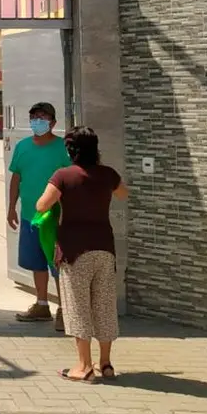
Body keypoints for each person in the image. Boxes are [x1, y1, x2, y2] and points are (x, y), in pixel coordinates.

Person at [35, 126, 128, 383]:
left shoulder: (64, 176)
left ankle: (84, 366)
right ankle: (106, 364)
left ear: (70, 150)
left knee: (78, 308)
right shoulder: (108, 174)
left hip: (74, 250)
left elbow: (41, 204)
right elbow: (123, 193)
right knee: (104, 305)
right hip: (104, 249)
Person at [7, 101, 72, 331]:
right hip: (29, 216)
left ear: (53, 122)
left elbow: (71, 179)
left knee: (58, 263)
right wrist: (11, 206)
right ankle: (42, 304)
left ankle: (66, 310)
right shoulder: (22, 146)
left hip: (55, 217)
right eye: (34, 117)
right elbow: (16, 178)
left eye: (43, 118)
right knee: (36, 263)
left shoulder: (63, 148)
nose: (38, 122)